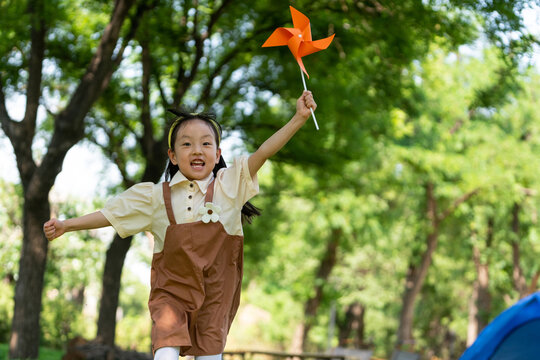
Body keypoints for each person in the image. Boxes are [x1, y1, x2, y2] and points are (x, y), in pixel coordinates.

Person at [43, 91, 317, 360]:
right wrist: (67, 225)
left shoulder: (230, 185)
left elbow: (263, 153)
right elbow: (112, 213)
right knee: (165, 351)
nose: (197, 150)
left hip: (215, 295)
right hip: (171, 293)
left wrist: (298, 119)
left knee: (210, 356)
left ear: (218, 153)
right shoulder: (154, 196)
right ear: (172, 156)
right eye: (187, 144)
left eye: (206, 144)